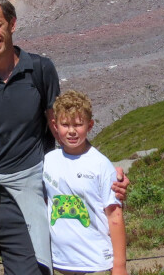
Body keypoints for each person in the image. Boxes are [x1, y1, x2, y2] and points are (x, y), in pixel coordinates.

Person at [0, 0, 127, 275]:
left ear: (12, 24)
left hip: (24, 194)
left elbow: (60, 130)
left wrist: (104, 172)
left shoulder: (40, 70)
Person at [44, 91, 126, 275]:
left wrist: (120, 266)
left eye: (78, 124)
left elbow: (115, 216)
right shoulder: (48, 161)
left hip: (94, 264)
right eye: (65, 125)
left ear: (90, 126)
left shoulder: (100, 164)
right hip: (57, 263)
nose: (71, 131)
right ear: (55, 126)